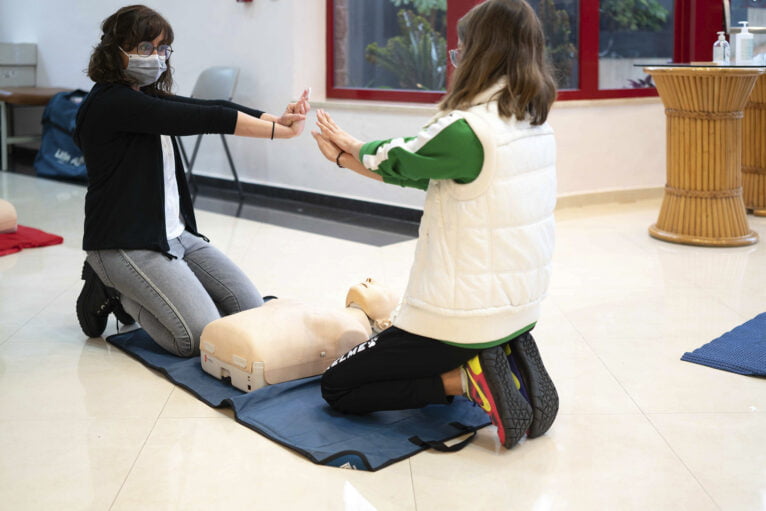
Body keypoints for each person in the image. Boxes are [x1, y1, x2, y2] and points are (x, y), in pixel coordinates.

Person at [311, 0, 558, 449]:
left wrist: (350, 148)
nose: (456, 60)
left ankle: (465, 380)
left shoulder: (468, 129)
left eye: (462, 50)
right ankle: (507, 353)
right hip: (519, 309)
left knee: (338, 385)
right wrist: (350, 158)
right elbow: (419, 171)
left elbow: (401, 155)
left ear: (483, 54)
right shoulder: (532, 124)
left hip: (456, 320)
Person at [74, 4, 310, 357]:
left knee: (249, 310)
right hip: (124, 241)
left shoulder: (144, 95)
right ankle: (113, 289)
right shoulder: (111, 103)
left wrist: (273, 118)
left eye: (161, 49)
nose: (155, 57)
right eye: (144, 48)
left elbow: (212, 104)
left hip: (175, 235)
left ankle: (143, 287)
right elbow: (207, 116)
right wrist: (278, 132)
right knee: (194, 339)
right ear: (115, 50)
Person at [199, 278, 399, 392]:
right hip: (243, 344)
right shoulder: (333, 315)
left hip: (246, 349)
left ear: (384, 322)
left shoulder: (353, 332)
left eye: (381, 289)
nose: (370, 280)